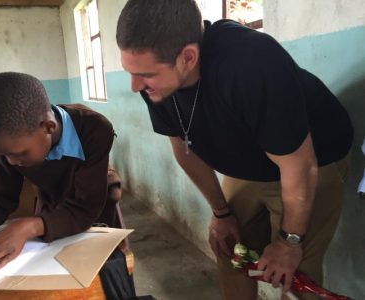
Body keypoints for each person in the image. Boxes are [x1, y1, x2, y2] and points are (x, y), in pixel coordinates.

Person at [116, 1, 353, 299]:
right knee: (229, 247)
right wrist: (221, 212)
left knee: (295, 273)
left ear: (188, 57)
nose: (135, 86)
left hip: (309, 161)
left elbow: (300, 165)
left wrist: (288, 242)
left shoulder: (252, 62)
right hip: (252, 158)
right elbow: (184, 148)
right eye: (130, 71)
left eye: (146, 75)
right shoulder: (154, 80)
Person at [0, 72, 117, 275]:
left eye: (17, 154)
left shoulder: (95, 128)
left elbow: (86, 207)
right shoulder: (13, 144)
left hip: (96, 209)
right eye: (3, 154)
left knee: (102, 271)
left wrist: (27, 227)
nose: (11, 162)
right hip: (50, 211)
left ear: (49, 127)